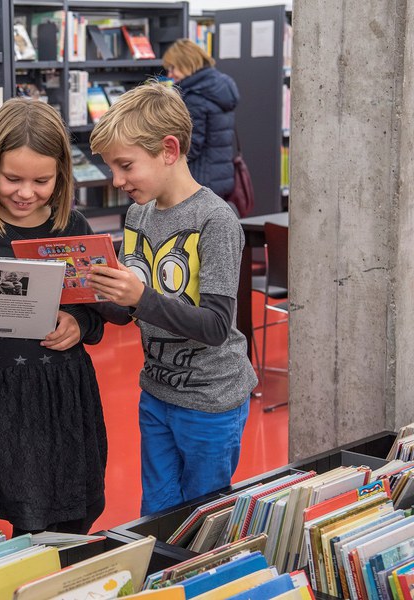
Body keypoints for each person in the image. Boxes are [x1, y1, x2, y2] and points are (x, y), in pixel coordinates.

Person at [0, 98, 107, 536]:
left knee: (74, 510)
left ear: (61, 176)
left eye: (41, 181)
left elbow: (98, 316)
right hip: (5, 390)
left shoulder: (74, 228)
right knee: (18, 508)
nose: (26, 192)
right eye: (12, 178)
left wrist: (79, 325)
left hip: (65, 388)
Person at [86, 82, 257, 516]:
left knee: (204, 516)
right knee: (157, 512)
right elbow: (127, 313)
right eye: (112, 168)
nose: (117, 180)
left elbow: (216, 326)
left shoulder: (215, 220)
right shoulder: (138, 214)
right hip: (156, 393)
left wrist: (140, 296)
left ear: (168, 149)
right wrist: (80, 289)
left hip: (210, 402)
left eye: (125, 166)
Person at [162, 39, 239, 199]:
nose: (170, 74)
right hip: (221, 175)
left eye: (172, 67)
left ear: (186, 63)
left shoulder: (195, 96)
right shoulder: (218, 87)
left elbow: (191, 146)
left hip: (200, 178)